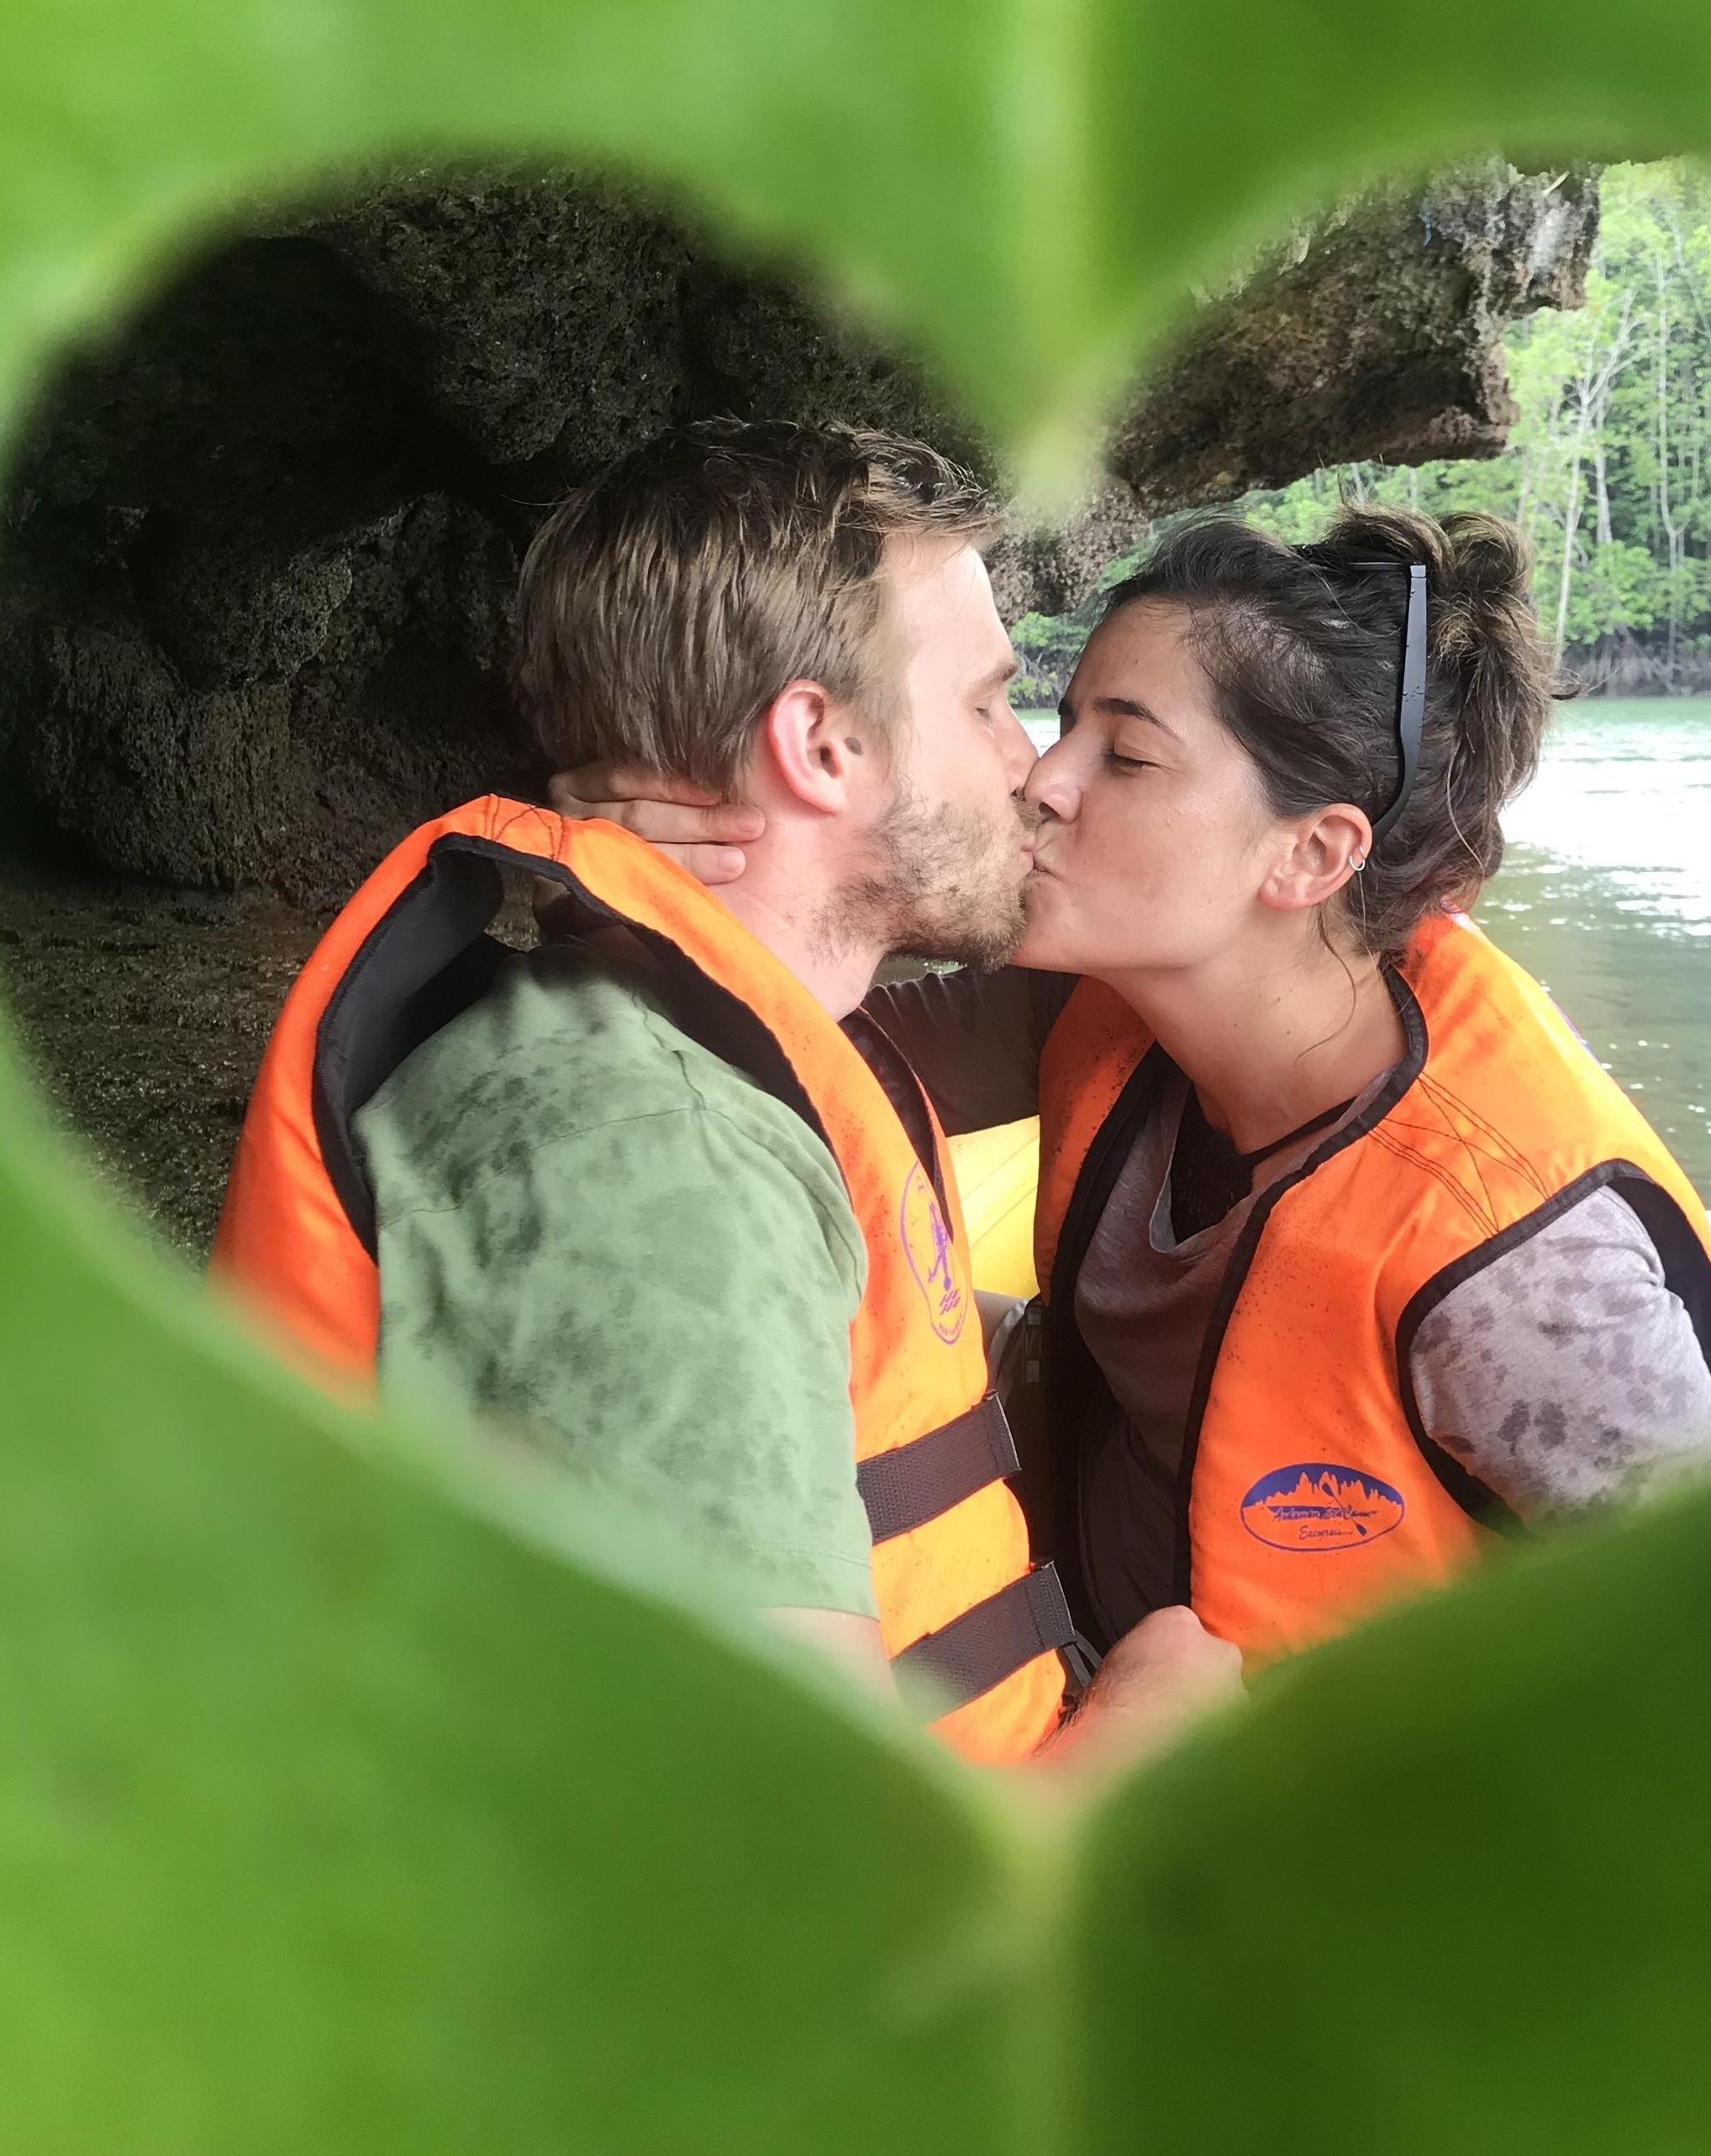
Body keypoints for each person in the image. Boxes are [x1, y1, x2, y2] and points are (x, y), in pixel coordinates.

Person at [209, 418, 1240, 1775]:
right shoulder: (655, 1162)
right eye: (991, 703)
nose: (1029, 768)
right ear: (819, 746)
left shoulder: (742, 1038)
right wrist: (1154, 1716)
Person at [561, 505, 1711, 1665]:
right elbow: (778, 1049)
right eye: (1057, 721)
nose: (1043, 781)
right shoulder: (1098, 1001)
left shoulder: (1521, 1277)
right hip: (1092, 1604)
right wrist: (667, 879)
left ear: (1312, 854)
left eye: (1125, 755)